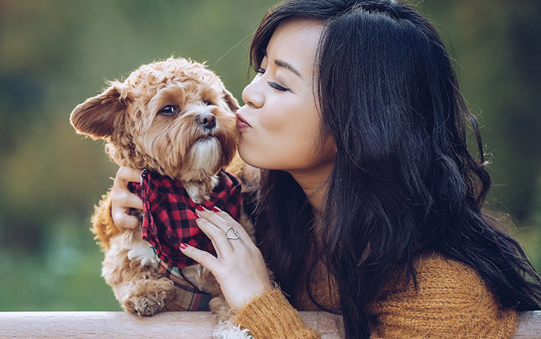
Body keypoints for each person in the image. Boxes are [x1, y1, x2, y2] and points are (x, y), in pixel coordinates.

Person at [95, 0, 541, 337]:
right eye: (260, 69)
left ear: (363, 121)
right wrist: (127, 207)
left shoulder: (444, 296)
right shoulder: (257, 195)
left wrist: (258, 303)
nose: (248, 93)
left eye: (279, 82)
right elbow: (153, 236)